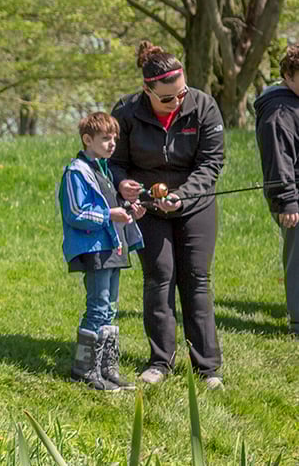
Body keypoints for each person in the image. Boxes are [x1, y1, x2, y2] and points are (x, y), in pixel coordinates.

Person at [110, 40, 225, 390]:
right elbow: (114, 162)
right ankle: (160, 361)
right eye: (166, 98)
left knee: (195, 279)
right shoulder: (127, 111)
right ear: (147, 90)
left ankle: (208, 368)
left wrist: (182, 196)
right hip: (147, 206)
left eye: (181, 93)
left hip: (195, 204)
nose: (176, 101)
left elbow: (211, 163)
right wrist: (123, 184)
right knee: (159, 278)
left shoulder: (203, 105)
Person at [59, 112, 144, 392]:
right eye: (105, 139)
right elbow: (75, 213)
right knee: (97, 307)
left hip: (114, 247)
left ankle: (108, 369)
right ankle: (84, 369)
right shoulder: (76, 172)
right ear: (87, 139)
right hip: (95, 249)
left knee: (110, 308)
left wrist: (129, 212)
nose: (112, 144)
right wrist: (110, 215)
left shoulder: (104, 170)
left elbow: (112, 208)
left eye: (114, 139)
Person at [254, 44, 299, 339]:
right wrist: (287, 201)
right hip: (293, 197)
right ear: (288, 75)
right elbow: (278, 159)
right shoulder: (277, 110)